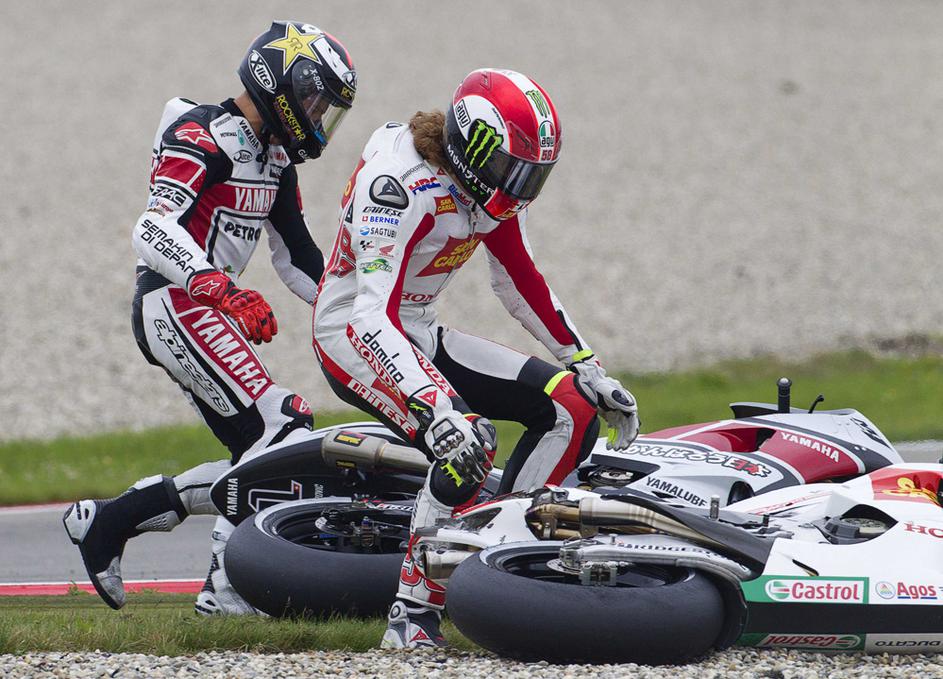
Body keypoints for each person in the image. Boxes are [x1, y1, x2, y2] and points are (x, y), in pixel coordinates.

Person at [312, 68, 640, 648]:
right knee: (465, 444)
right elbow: (369, 316)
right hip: (351, 333)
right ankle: (412, 615)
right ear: (473, 149)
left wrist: (589, 367)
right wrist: (437, 408)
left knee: (572, 408)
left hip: (416, 329)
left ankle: (504, 565)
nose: (523, 188)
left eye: (534, 174)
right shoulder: (398, 186)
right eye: (515, 170)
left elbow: (520, 280)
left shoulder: (490, 192)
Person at [62, 20, 356, 615]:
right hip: (173, 302)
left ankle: (110, 522)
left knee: (265, 454)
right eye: (315, 101)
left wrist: (361, 315)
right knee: (284, 428)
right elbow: (151, 228)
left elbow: (297, 259)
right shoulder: (201, 133)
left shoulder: (277, 160)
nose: (319, 117)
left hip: (206, 308)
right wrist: (217, 286)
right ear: (283, 83)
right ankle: (226, 593)